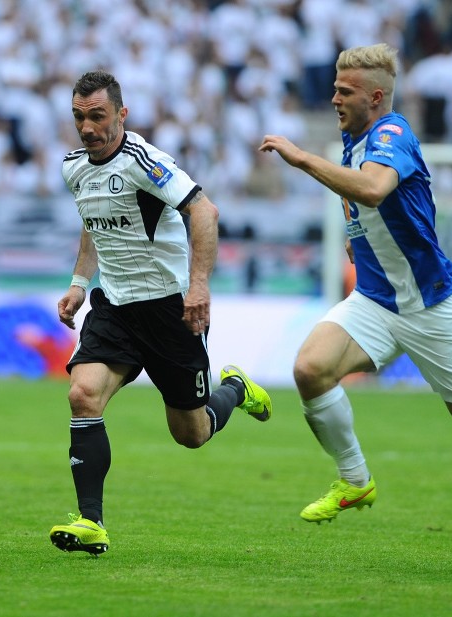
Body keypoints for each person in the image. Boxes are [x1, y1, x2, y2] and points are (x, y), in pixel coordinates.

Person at [258, 44, 452, 575]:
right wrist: (358, 237)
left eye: (344, 91)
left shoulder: (392, 133)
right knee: (310, 368)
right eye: (334, 88)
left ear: (376, 97)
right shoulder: (354, 140)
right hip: (376, 301)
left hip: (432, 309)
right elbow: (362, 201)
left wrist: (303, 157)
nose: (333, 98)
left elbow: (375, 189)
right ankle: (355, 481)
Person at [48, 70, 272, 556]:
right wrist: (79, 284)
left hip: (171, 310)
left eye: (98, 116)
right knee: (83, 396)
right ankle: (91, 523)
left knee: (190, 434)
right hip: (116, 308)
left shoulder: (143, 161)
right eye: (79, 117)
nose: (87, 128)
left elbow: (205, 211)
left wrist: (198, 286)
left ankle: (234, 388)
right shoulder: (73, 168)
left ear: (121, 115)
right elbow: (92, 223)